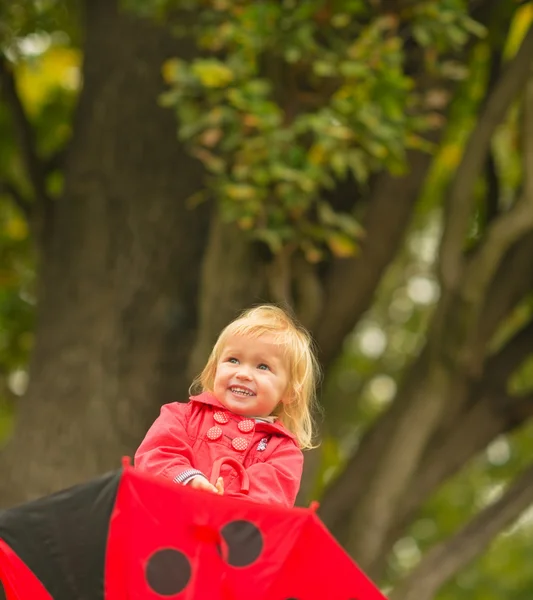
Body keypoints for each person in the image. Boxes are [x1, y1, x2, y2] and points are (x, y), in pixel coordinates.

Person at [134, 304, 320, 507]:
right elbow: (155, 454)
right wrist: (190, 480)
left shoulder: (283, 452)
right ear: (214, 370)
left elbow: (268, 503)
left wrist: (220, 505)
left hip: (222, 534)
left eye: (263, 366)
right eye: (233, 360)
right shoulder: (180, 415)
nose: (243, 374)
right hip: (163, 522)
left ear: (290, 391)